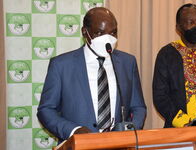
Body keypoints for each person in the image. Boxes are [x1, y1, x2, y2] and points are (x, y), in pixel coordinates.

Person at [37, 7, 146, 143]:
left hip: (119, 144)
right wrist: (73, 131)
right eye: (99, 33)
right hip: (79, 144)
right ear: (85, 32)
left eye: (113, 33)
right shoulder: (61, 65)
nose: (108, 39)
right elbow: (46, 110)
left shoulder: (127, 62)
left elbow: (138, 107)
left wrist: (131, 130)